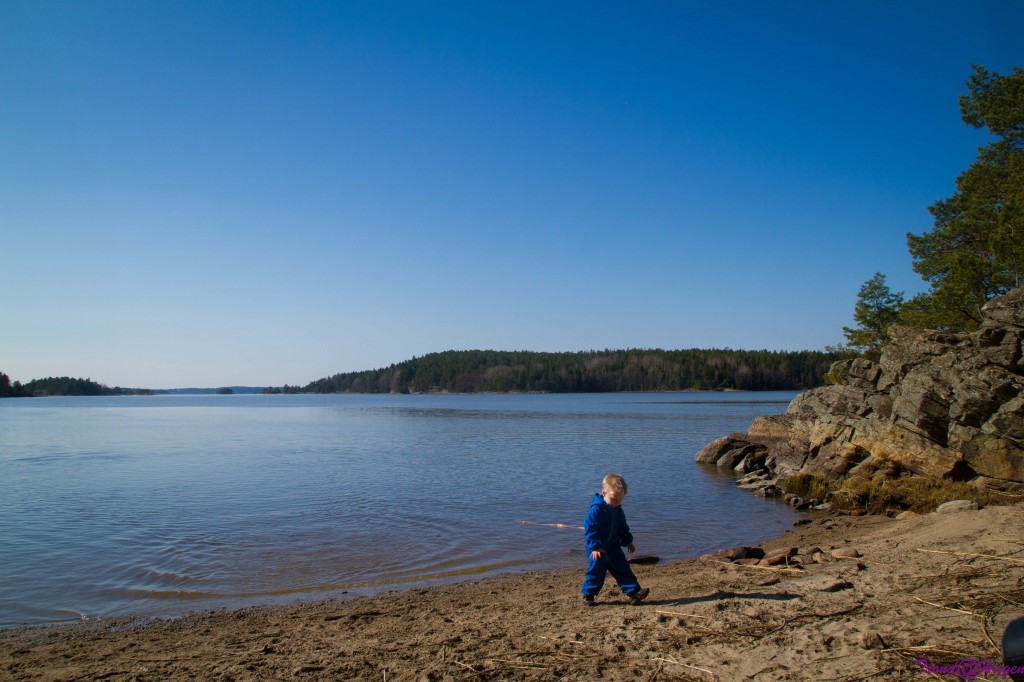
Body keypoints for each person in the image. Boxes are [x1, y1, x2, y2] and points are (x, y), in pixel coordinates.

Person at [580, 473, 650, 606]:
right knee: (596, 571)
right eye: (614, 499)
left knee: (622, 568)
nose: (616, 503)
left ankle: (633, 592)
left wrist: (627, 541)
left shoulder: (618, 510)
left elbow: (622, 526)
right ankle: (588, 595)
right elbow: (590, 528)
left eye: (620, 500)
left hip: (613, 546)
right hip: (597, 548)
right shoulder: (596, 510)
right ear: (604, 493)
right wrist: (595, 546)